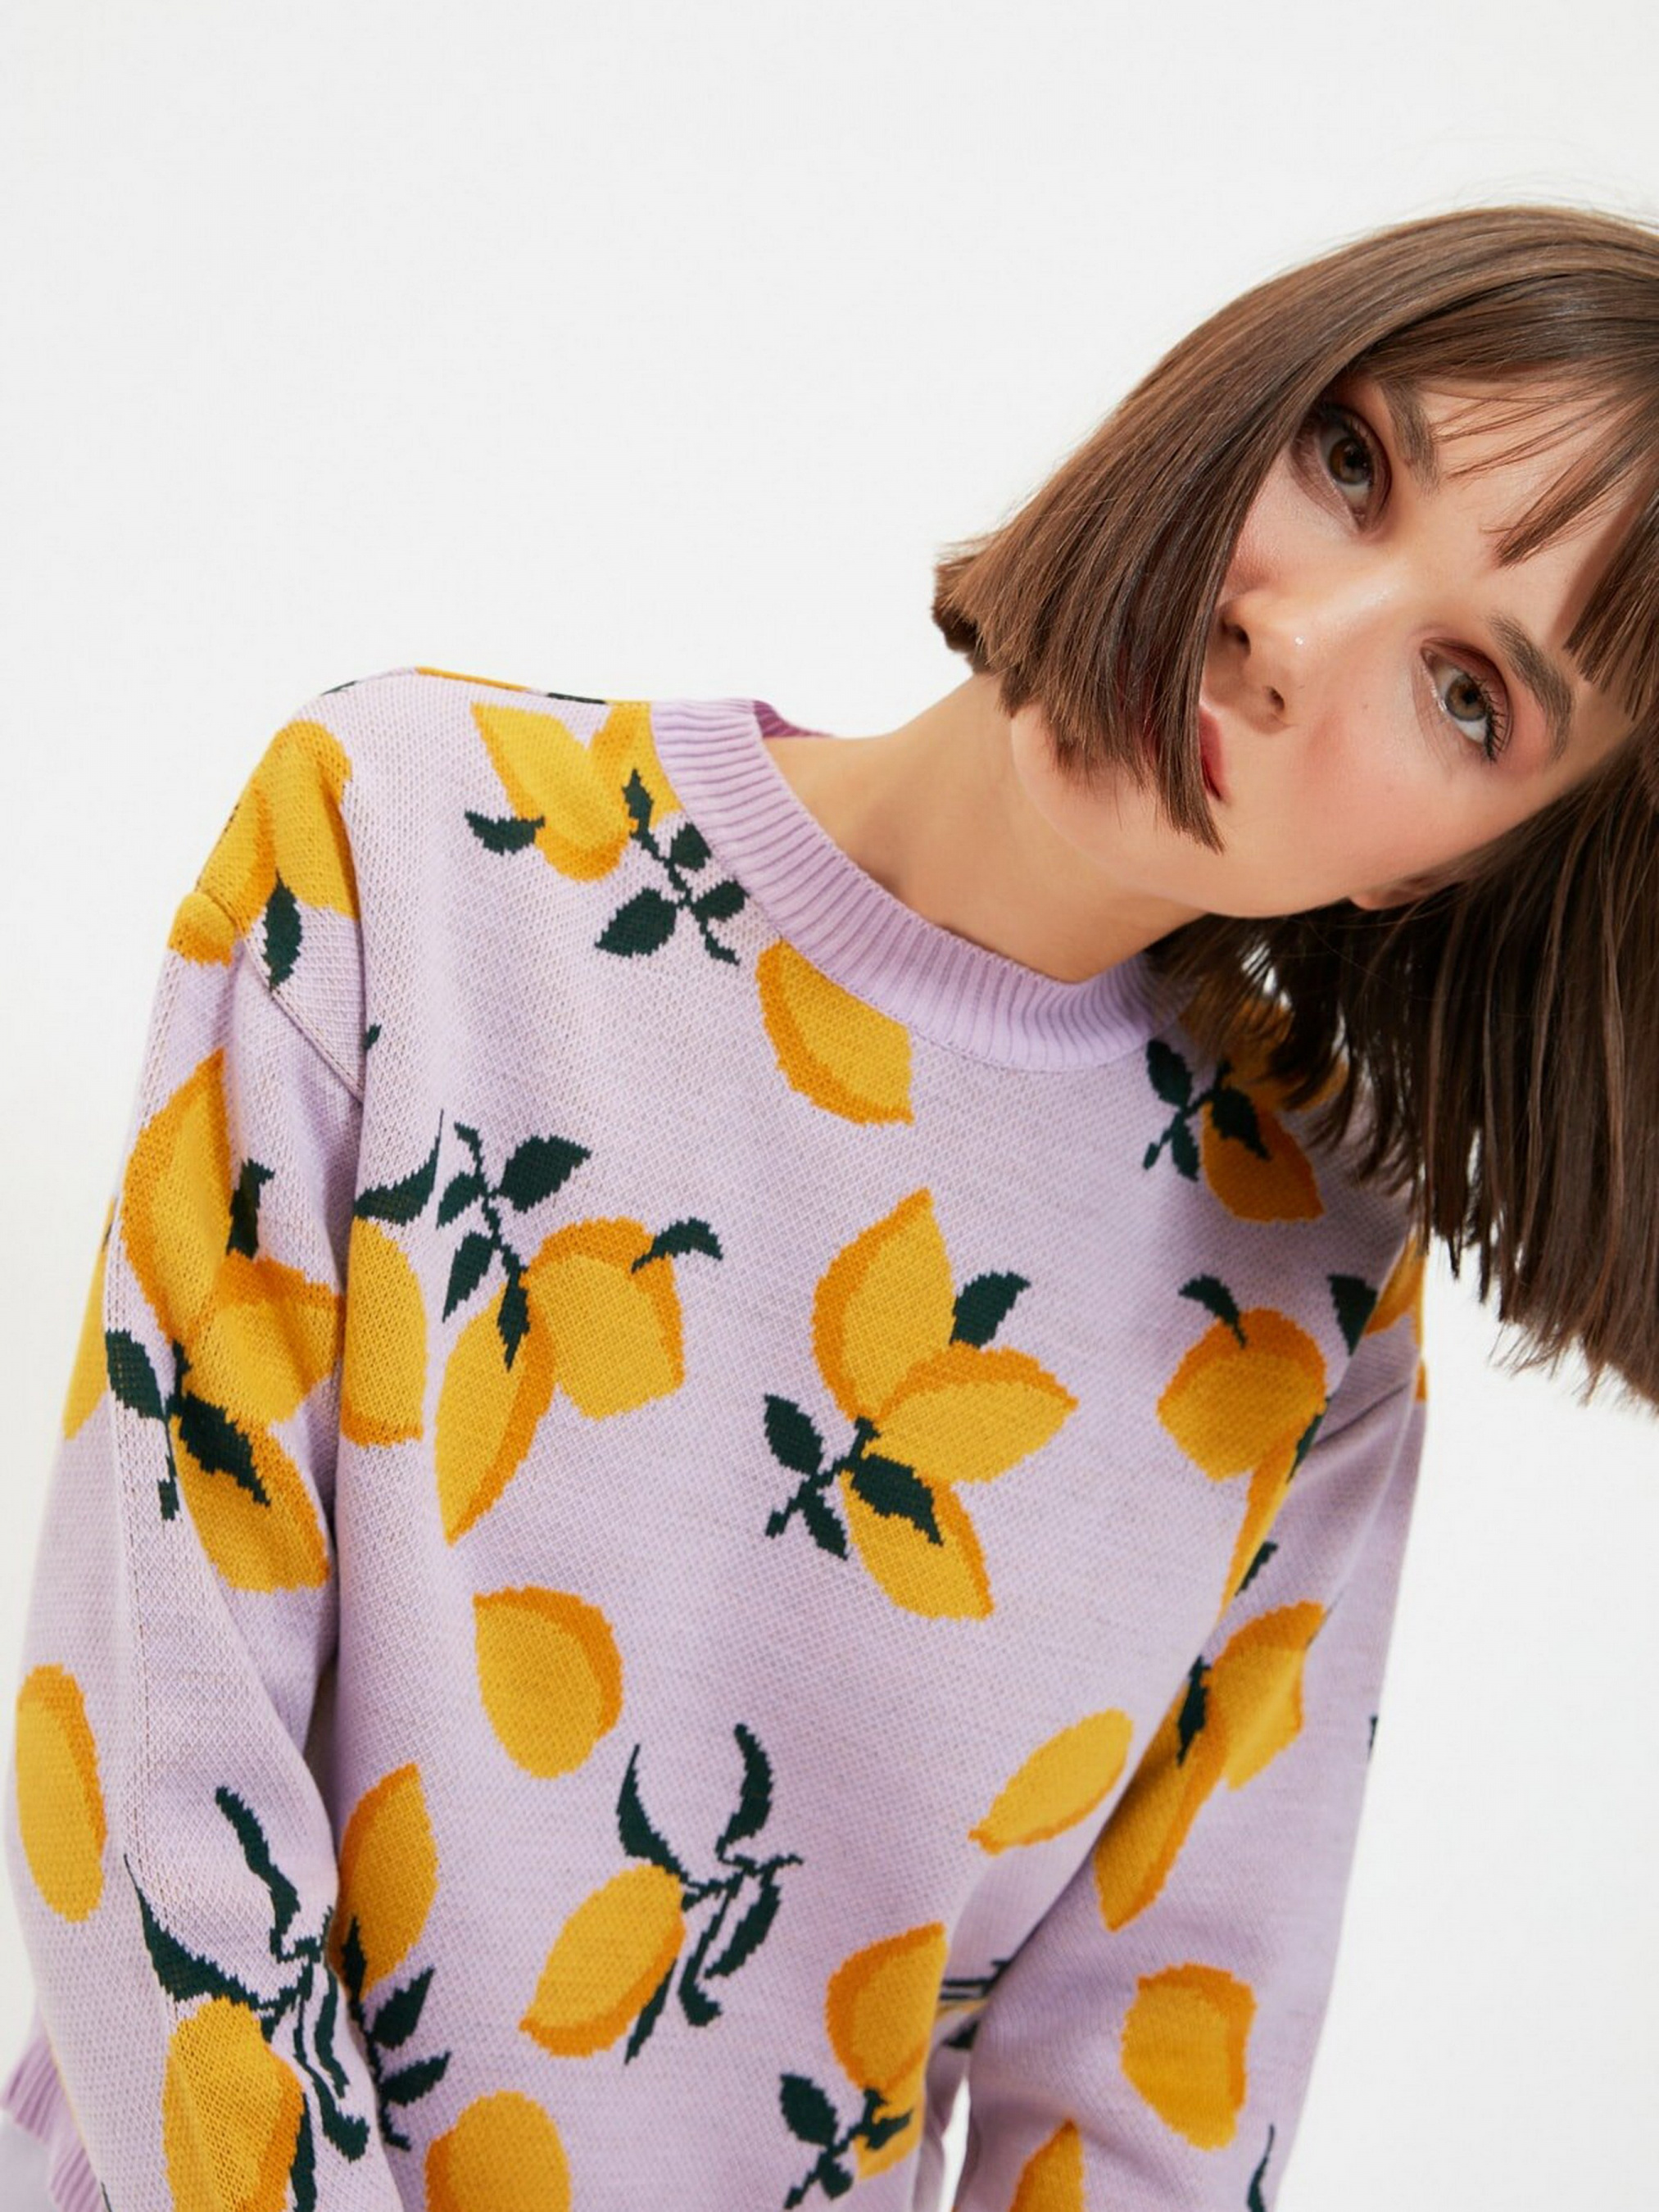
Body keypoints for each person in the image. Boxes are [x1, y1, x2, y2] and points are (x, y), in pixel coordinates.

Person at [2, 200, 1654, 2210]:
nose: (1293, 641)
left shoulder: (1300, 1294)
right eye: (1348, 459)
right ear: (1222, 386)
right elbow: (155, 1773)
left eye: (1467, 695)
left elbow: (1147, 2111)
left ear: (1447, 872)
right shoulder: (407, 845)